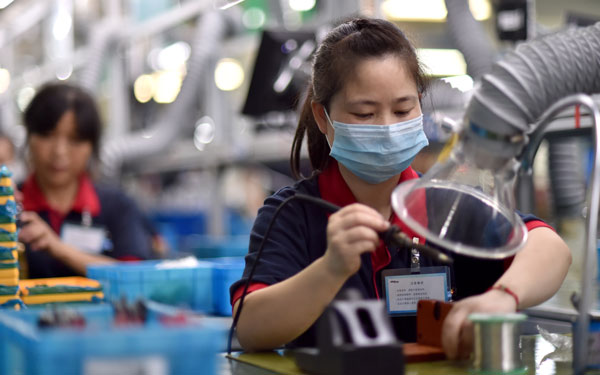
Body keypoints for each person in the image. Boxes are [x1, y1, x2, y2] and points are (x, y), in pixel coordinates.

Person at [229, 17, 571, 359]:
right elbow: (250, 328)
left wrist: (503, 295)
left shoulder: (446, 207)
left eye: (403, 109)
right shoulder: (293, 214)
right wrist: (329, 269)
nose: (388, 128)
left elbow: (551, 249)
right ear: (323, 118)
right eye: (365, 114)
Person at [18, 82, 153, 278]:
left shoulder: (118, 207)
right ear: (29, 137)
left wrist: (58, 248)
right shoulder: (10, 207)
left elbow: (134, 277)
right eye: (47, 135)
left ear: (92, 146)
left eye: (75, 140)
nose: (59, 152)